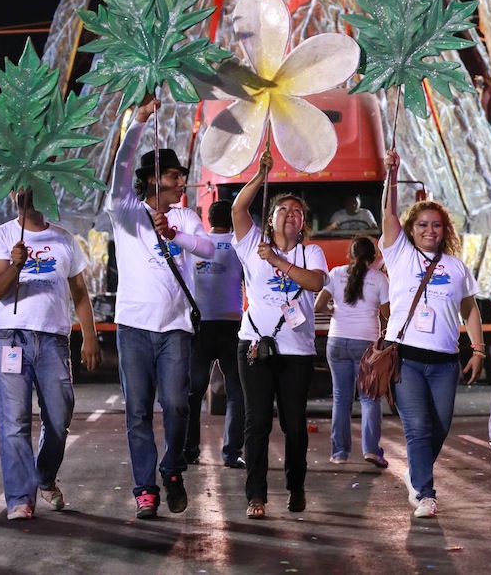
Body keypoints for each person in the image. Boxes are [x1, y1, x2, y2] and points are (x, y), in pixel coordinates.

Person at [106, 95, 215, 520]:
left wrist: (175, 236)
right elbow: (117, 171)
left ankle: (172, 469)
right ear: (153, 179)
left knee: (177, 404)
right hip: (133, 328)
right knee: (137, 412)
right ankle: (145, 488)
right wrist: (138, 120)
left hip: (175, 329)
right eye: (174, 175)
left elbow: (207, 249)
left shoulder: (185, 218)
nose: (181, 182)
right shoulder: (125, 213)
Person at [0, 187, 99, 520]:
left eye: (36, 186)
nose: (28, 193)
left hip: (53, 340)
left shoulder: (64, 239)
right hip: (12, 339)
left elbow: (79, 292)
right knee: (14, 423)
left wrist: (89, 336)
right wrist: (16, 265)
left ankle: (44, 476)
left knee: (60, 417)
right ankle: (20, 497)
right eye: (22, 187)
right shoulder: (1, 236)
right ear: (13, 194)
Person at [382, 149, 485, 519]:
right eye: (422, 224)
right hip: (406, 357)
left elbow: (470, 309)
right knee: (419, 426)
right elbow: (388, 214)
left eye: (436, 225)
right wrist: (391, 175)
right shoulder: (400, 255)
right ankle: (425, 493)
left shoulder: (457, 267)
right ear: (411, 229)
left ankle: (416, 472)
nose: (430, 230)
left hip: (444, 361)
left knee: (440, 427)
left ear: (446, 230)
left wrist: (477, 350)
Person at [231, 149, 329, 520]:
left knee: (293, 424)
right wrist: (259, 174)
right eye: (283, 210)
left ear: (303, 223)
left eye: (297, 212)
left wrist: (279, 262)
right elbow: (239, 210)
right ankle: (255, 495)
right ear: (270, 219)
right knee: (257, 421)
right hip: (255, 345)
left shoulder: (311, 251)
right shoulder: (253, 245)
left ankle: (296, 485)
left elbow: (316, 281)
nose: (291, 215)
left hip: (297, 351)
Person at [314, 234, 389, 467]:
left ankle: (339, 453)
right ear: (373, 256)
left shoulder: (336, 273)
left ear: (351, 254)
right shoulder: (379, 279)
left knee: (341, 399)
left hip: (336, 341)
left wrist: (335, 312)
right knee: (369, 398)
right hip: (366, 343)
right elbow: (387, 314)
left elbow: (319, 305)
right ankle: (371, 450)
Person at [185, 199, 245, 469]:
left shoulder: (198, 245)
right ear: (231, 220)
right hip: (232, 325)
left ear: (208, 219)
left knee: (193, 392)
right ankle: (231, 453)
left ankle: (189, 450)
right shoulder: (240, 246)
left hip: (200, 326)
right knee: (236, 392)